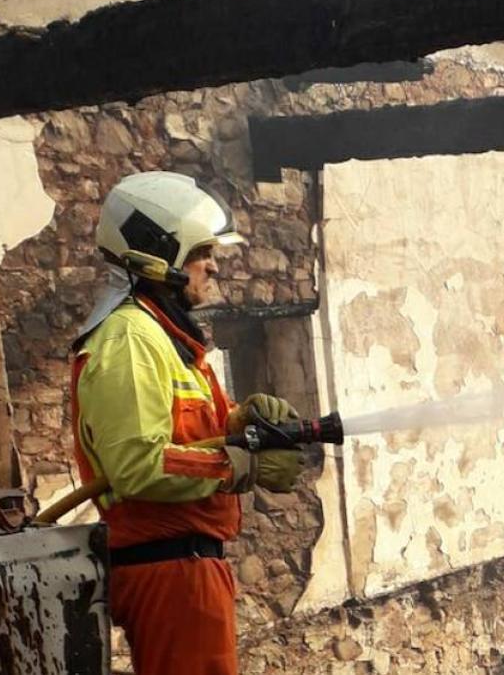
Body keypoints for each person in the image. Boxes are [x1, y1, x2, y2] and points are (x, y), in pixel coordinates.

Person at [71, 171, 305, 675]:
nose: (213, 267)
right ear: (158, 253)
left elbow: (183, 432)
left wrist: (244, 420)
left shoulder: (161, 336)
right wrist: (240, 463)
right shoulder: (130, 339)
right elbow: (137, 465)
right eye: (201, 253)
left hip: (187, 568)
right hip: (170, 571)